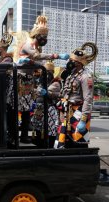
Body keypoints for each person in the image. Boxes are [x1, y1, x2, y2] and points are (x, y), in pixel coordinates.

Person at [13, 15, 68, 143]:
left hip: (28, 81)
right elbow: (37, 56)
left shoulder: (36, 46)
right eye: (42, 36)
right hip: (21, 80)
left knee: (26, 110)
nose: (44, 39)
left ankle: (24, 135)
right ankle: (17, 135)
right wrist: (57, 55)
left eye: (46, 37)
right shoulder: (29, 44)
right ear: (36, 35)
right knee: (20, 110)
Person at [54, 42, 98, 149]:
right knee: (64, 139)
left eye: (72, 61)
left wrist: (83, 120)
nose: (70, 62)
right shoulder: (71, 74)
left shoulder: (85, 77)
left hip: (78, 111)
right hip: (66, 110)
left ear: (79, 63)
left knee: (78, 140)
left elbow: (88, 98)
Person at [0, 37, 15, 147]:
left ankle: (10, 138)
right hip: (5, 90)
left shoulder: (7, 59)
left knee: (9, 116)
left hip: (9, 92)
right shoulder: (3, 58)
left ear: (2, 49)